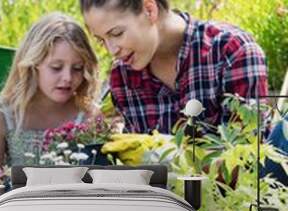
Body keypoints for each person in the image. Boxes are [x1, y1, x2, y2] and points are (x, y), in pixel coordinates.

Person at [79, 0, 268, 134]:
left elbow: (249, 155)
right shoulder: (123, 77)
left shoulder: (231, 52)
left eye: (117, 33)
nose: (112, 50)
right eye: (101, 40)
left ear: (149, 9)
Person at [0, 12, 99, 167]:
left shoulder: (88, 116)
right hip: (17, 192)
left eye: (77, 68)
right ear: (33, 65)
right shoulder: (2, 116)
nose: (68, 77)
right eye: (56, 68)